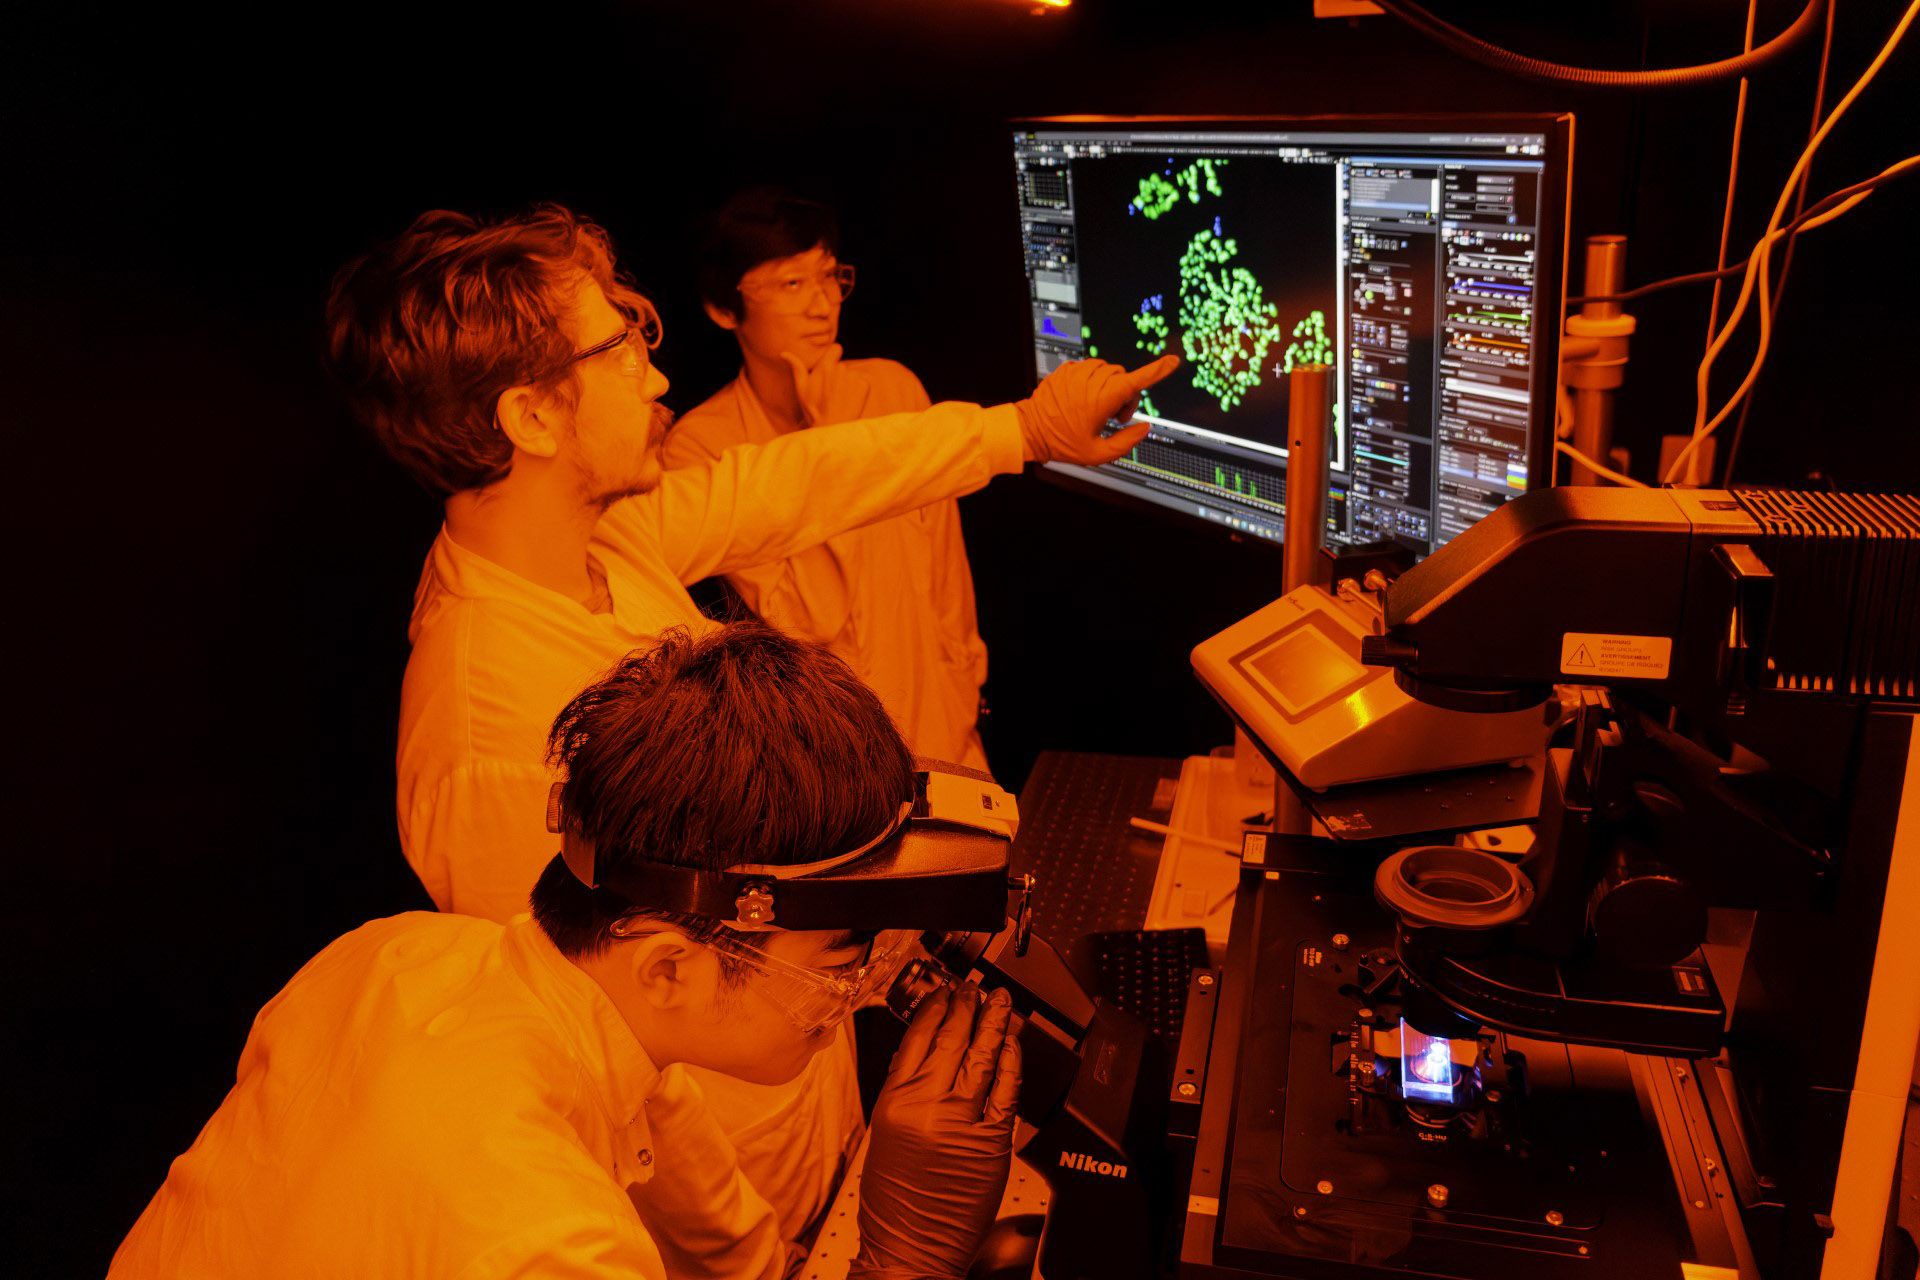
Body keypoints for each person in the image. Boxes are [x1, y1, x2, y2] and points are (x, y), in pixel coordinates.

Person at [323, 205, 1171, 1241]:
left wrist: (1019, 431)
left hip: (803, 1104)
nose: (656, 375)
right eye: (620, 347)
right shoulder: (488, 741)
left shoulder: (607, 541)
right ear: (531, 419)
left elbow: (790, 483)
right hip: (728, 1201)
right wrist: (755, 1255)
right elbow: (593, 1062)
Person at [110, 622, 1023, 1279]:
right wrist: (902, 1264)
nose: (864, 992)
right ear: (670, 965)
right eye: (838, 962)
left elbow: (659, 1114)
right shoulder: (548, 1244)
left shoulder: (394, 957)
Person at [666, 189, 988, 768]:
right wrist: (819, 434)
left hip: (950, 737)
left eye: (828, 277)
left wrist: (962, 700)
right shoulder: (701, 447)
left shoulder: (893, 390)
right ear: (723, 308)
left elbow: (948, 581)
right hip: (836, 761)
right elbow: (811, 621)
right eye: (792, 284)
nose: (822, 305)